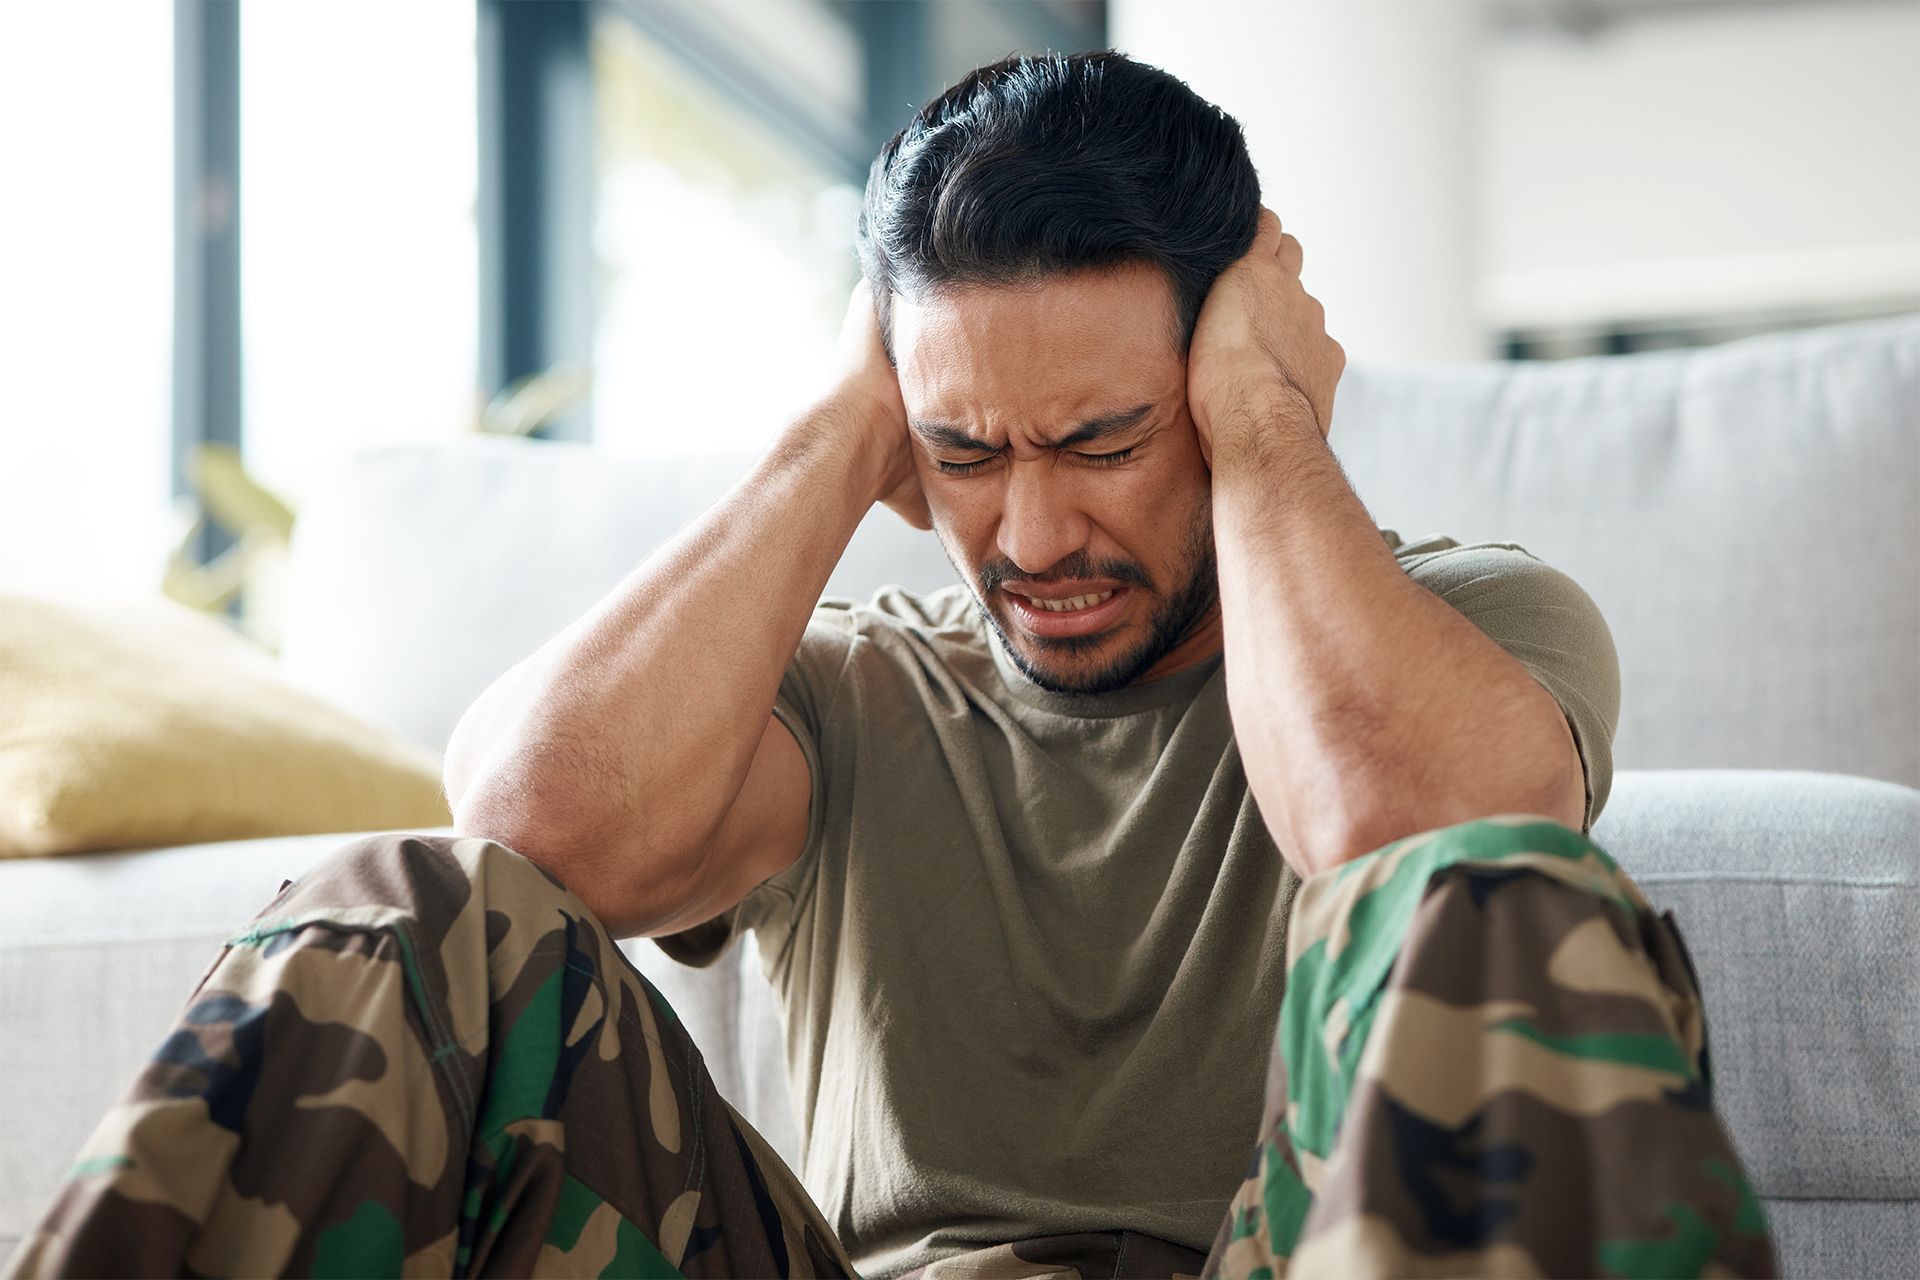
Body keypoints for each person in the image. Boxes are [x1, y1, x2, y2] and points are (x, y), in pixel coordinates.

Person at [6, 51, 1776, 1279]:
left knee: (1490, 894)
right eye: (968, 454)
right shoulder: (853, 691)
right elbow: (532, 827)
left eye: (1099, 440)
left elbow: (1415, 832)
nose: (1029, 539)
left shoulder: (1481, 628)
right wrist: (847, 426)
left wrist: (1257, 425)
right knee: (412, 896)